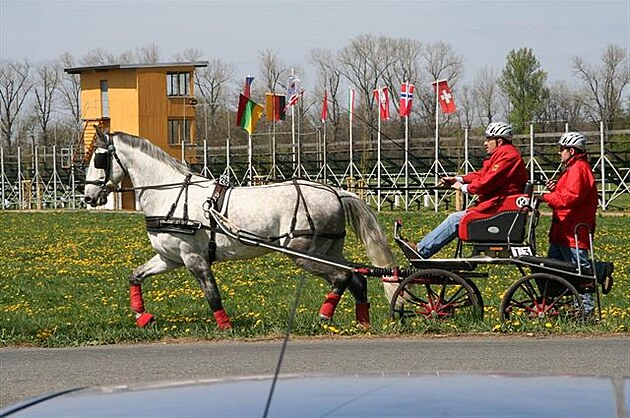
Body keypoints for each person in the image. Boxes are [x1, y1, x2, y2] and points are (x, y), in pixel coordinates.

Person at [415, 122, 528, 258]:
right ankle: (422, 249)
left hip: (499, 209)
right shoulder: (503, 154)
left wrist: (463, 188)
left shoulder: (507, 156)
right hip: (497, 206)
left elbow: (485, 183)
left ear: (498, 141)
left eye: (488, 139)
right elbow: (482, 175)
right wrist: (458, 179)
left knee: (454, 219)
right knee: (455, 218)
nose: (485, 143)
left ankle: (421, 251)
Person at [538, 132, 603, 313]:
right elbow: (566, 192)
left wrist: (545, 197)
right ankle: (556, 303)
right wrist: (555, 189)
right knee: (551, 269)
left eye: (562, 149)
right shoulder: (573, 168)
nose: (560, 153)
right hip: (563, 232)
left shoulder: (578, 169)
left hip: (573, 231)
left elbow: (570, 197)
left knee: (579, 270)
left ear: (571, 151)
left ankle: (586, 310)